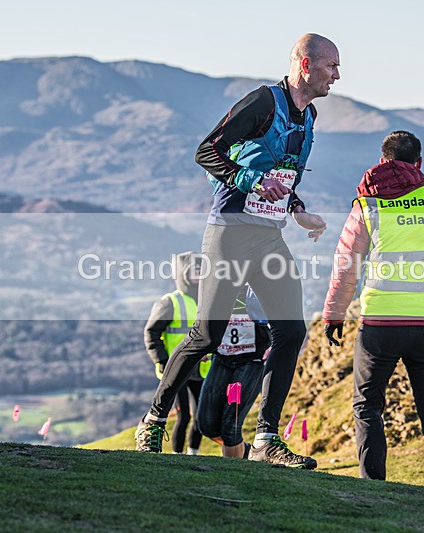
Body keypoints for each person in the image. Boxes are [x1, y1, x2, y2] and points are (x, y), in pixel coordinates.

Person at [135, 34, 340, 469]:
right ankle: (153, 419)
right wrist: (249, 182)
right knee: (206, 336)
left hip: (268, 235)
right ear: (305, 65)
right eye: (331, 66)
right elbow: (206, 151)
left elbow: (284, 176)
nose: (337, 75)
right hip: (229, 231)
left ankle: (266, 438)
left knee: (292, 332)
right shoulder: (263, 101)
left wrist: (298, 209)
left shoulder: (309, 115)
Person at [322, 131, 424, 490]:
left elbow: (346, 266)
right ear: (419, 163)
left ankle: (373, 486)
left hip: (379, 326)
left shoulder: (367, 206)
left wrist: (334, 315)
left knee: (367, 407)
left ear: (382, 161)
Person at [142, 251, 210, 454]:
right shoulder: (170, 302)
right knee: (183, 417)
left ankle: (193, 454)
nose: (198, 276)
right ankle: (177, 456)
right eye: (193, 272)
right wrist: (162, 360)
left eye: (201, 271)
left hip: (203, 369)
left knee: (200, 416)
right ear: (183, 274)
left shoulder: (209, 301)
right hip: (176, 368)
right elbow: (151, 333)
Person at [197, 285, 271, 458]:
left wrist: (274, 345)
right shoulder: (215, 286)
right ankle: (244, 451)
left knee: (230, 425)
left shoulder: (261, 285)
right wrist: (201, 345)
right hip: (221, 358)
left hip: (252, 360)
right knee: (207, 424)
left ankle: (233, 475)